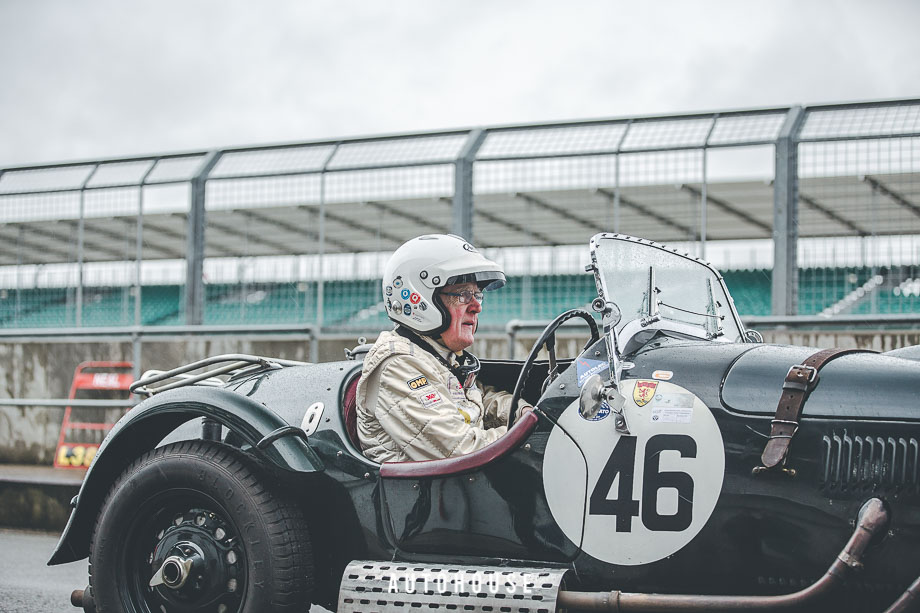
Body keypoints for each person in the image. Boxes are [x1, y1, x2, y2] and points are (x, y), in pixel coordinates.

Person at [356, 234, 532, 463]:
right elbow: (462, 451)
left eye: (477, 295)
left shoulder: (437, 355)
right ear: (420, 299)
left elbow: (478, 400)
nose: (476, 306)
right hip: (423, 495)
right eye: (463, 294)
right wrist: (529, 429)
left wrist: (522, 411)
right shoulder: (397, 364)